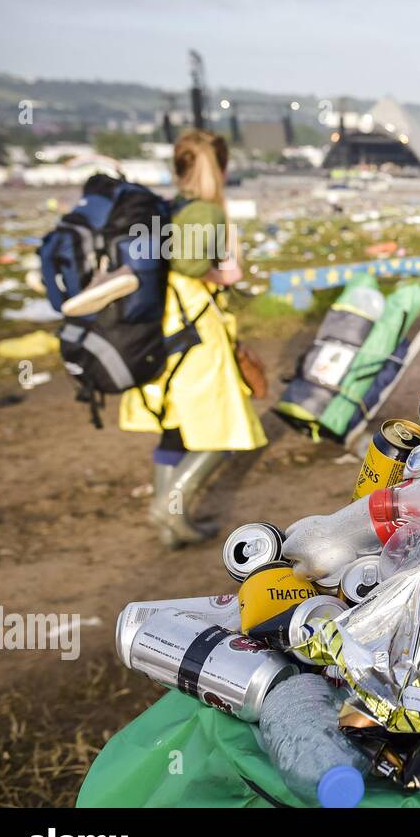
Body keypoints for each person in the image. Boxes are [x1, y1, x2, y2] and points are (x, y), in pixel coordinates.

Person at [118, 129, 266, 549]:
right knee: (224, 434)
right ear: (219, 166)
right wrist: (229, 274)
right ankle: (167, 508)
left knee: (175, 429)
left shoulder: (169, 207)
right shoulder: (205, 211)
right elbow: (190, 265)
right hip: (197, 331)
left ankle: (171, 526)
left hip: (163, 327)